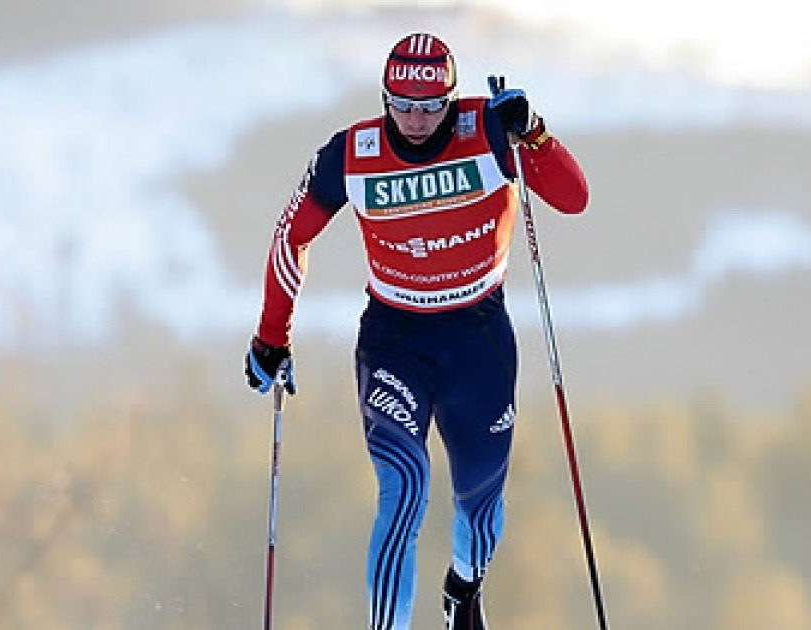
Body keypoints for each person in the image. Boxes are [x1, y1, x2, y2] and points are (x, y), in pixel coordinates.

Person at [245, 32, 589, 630]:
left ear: (453, 101)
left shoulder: (489, 130)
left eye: (432, 107)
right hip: (395, 340)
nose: (417, 120)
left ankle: (462, 590)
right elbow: (290, 236)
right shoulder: (350, 153)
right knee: (404, 486)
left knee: (480, 505)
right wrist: (272, 337)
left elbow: (573, 198)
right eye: (402, 105)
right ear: (384, 98)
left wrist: (532, 132)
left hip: (477, 336)